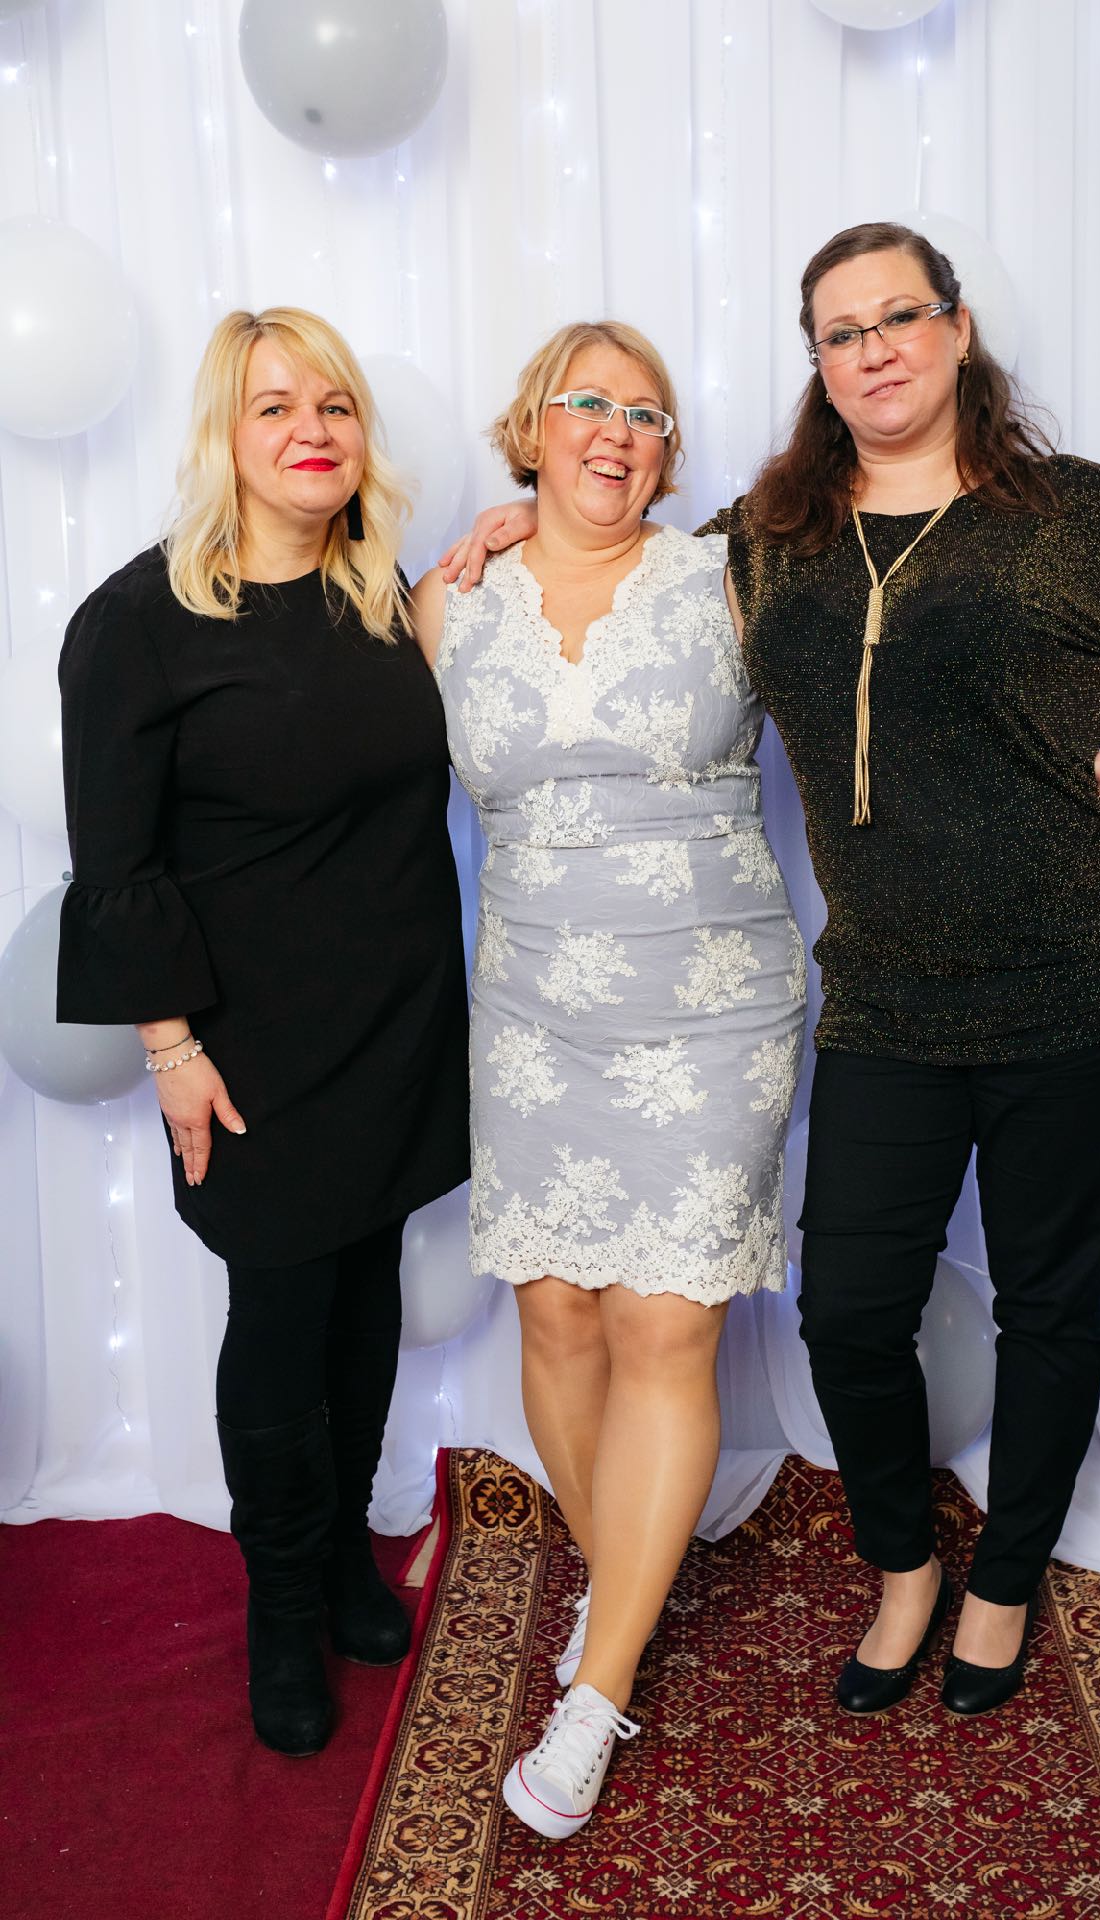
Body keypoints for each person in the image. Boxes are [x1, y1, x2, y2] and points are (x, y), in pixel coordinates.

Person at [444, 223, 1100, 1718]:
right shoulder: (774, 538)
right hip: (885, 994)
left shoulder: (1074, 513)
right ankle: (904, 1565)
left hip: (1076, 983)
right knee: (848, 1312)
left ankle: (1004, 1580)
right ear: (818, 365)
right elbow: (619, 551)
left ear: (956, 331)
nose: (875, 348)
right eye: (842, 330)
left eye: (902, 316)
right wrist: (521, 521)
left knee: (1050, 1306)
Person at [57, 307, 470, 1756]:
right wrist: (171, 1049)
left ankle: (346, 1554)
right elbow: (116, 866)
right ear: (224, 437)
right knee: (283, 1324)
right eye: (275, 406)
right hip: (251, 1047)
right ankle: (282, 1607)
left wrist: (492, 550)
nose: (312, 430)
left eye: (334, 405)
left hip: (397, 1019)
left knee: (365, 1305)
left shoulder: (378, 596)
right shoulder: (137, 623)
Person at [413, 320, 804, 1836]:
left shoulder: (731, 577)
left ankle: (596, 1693)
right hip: (530, 1008)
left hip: (710, 1005)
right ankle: (619, 1576)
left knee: (662, 1322)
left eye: (647, 415)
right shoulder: (451, 599)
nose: (618, 431)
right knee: (559, 1313)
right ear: (532, 427)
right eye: (587, 402)